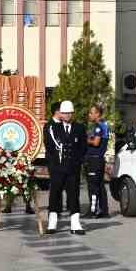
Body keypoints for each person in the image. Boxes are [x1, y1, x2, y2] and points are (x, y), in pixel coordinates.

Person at [44, 100, 87, 234]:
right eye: (65, 113)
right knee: (55, 195)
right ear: (60, 114)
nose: (67, 115)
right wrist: (53, 165)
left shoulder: (79, 128)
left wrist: (78, 162)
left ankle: (75, 224)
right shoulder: (53, 128)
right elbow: (49, 148)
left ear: (72, 114)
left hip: (73, 169)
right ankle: (52, 223)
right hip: (57, 169)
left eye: (69, 113)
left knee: (74, 195)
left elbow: (83, 148)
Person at [84, 104, 111, 218]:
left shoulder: (98, 127)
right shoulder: (104, 125)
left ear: (97, 114)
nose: (89, 115)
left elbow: (96, 142)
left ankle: (93, 210)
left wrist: (84, 139)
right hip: (98, 160)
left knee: (93, 186)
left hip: (94, 160)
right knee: (100, 185)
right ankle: (104, 210)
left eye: (91, 113)